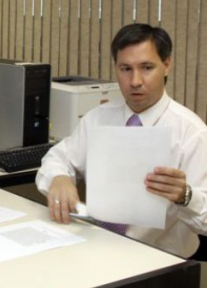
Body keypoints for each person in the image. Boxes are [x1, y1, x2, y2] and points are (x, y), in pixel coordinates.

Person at [36, 23, 207, 258]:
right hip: (97, 249)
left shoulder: (192, 133)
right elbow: (57, 156)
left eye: (146, 67)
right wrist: (59, 178)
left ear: (167, 65)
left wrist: (185, 196)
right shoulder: (97, 119)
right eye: (125, 69)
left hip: (160, 261)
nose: (135, 81)